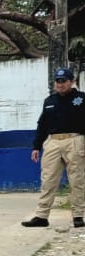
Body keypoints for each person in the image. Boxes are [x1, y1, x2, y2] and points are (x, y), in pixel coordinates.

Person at [21, 67, 85, 229]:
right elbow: (42, 125)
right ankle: (42, 216)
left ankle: (78, 215)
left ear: (72, 82)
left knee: (77, 180)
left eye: (64, 81)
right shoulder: (49, 101)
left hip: (75, 140)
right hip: (53, 142)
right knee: (48, 179)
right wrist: (36, 146)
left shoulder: (81, 98)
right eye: (58, 81)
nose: (60, 84)